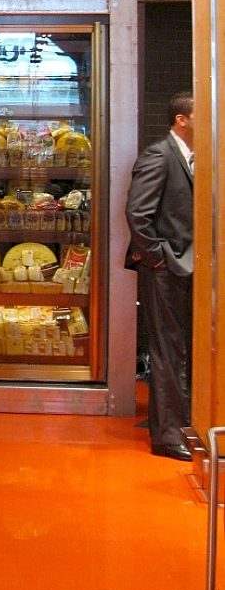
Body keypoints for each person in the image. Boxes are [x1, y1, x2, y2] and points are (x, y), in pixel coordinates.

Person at [125, 92, 194, 461]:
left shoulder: (192, 158)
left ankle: (177, 424)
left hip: (186, 266)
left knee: (179, 347)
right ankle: (168, 436)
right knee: (168, 348)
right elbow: (138, 213)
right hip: (166, 268)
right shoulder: (159, 155)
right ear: (181, 119)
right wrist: (158, 259)